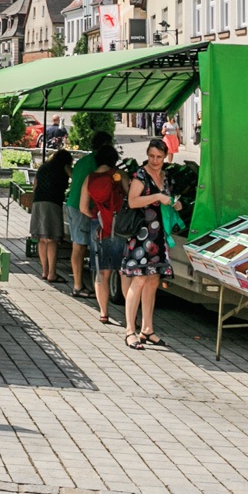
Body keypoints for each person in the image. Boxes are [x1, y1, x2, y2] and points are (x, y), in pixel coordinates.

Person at [120, 139, 176, 350]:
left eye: (159, 157)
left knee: (153, 281)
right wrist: (157, 196)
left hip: (159, 237)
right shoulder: (140, 175)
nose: (155, 161)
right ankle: (129, 331)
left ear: (165, 157)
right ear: (147, 154)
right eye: (151, 156)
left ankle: (147, 329)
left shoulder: (166, 177)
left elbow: (166, 201)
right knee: (139, 279)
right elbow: (133, 201)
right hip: (142, 236)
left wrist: (173, 203)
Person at [80, 147, 127, 326]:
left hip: (98, 226)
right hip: (119, 227)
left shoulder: (89, 178)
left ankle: (103, 313)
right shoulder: (119, 175)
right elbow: (131, 197)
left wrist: (98, 216)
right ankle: (129, 317)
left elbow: (83, 207)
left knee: (102, 271)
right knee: (123, 271)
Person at [65, 131, 113, 298]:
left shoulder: (84, 160)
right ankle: (78, 286)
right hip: (82, 208)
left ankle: (80, 284)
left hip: (73, 204)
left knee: (78, 245)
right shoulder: (96, 163)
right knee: (79, 246)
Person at [32, 149, 72, 286]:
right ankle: (52, 274)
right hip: (52, 203)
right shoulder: (62, 169)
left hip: (38, 202)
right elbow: (71, 181)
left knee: (42, 239)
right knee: (53, 239)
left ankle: (44, 271)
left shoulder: (43, 167)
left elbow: (35, 186)